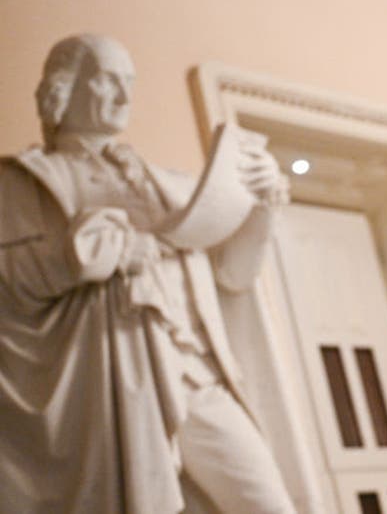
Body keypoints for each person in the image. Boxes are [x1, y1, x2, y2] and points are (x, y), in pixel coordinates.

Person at [0, 34, 296, 513]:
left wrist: (262, 205)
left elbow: (233, 278)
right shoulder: (26, 183)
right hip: (112, 382)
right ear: (63, 89)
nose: (124, 96)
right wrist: (94, 254)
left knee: (269, 504)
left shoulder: (168, 183)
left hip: (198, 376)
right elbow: (10, 283)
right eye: (108, 81)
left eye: (130, 83)